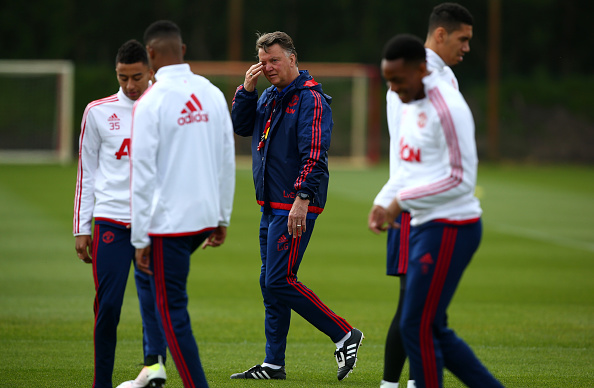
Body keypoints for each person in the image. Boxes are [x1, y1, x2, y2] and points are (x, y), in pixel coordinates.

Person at [369, 34, 504, 388]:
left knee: (416, 324)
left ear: (422, 69)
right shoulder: (410, 103)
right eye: (388, 81)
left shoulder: (449, 107)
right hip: (427, 223)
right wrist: (384, 200)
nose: (393, 88)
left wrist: (401, 201)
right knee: (429, 326)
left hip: (453, 226)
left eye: (399, 80)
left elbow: (460, 180)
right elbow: (409, 167)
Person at [230, 31, 363, 381]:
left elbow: (315, 154)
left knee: (278, 280)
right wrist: (246, 92)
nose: (268, 67)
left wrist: (302, 200)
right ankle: (273, 364)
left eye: (274, 60)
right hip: (271, 204)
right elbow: (241, 127)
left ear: (292, 58)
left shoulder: (311, 99)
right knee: (269, 282)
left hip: (294, 206)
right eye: (263, 61)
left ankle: (344, 333)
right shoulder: (270, 95)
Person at [129, 20, 235, 388]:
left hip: (168, 224)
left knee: (172, 310)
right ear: (184, 50)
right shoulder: (212, 92)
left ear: (151, 55)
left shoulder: (150, 102)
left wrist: (140, 237)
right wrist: (222, 216)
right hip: (204, 217)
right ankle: (151, 367)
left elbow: (141, 176)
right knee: (157, 290)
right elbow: (226, 158)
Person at [73, 39, 168, 388]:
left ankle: (154, 371)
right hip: (111, 222)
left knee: (154, 302)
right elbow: (87, 172)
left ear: (150, 72)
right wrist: (82, 227)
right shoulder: (97, 111)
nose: (130, 85)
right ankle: (101, 382)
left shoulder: (165, 107)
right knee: (108, 306)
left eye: (137, 77)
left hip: (155, 223)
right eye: (122, 77)